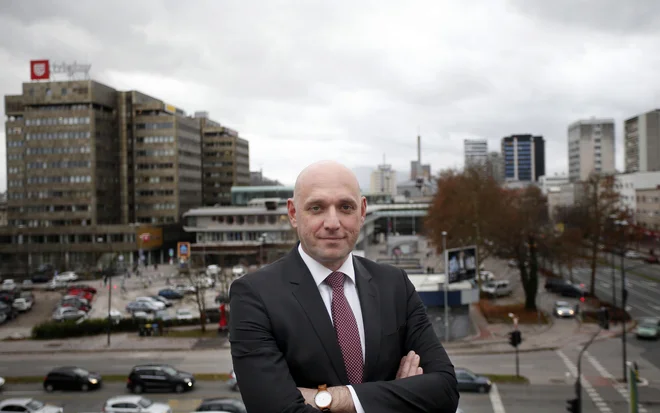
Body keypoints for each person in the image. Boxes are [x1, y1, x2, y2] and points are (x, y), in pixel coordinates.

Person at [230, 160, 458, 413]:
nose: (332, 222)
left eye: (345, 207)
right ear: (293, 214)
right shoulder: (254, 295)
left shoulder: (395, 285)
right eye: (317, 208)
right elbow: (273, 408)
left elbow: (445, 390)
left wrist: (327, 399)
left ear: (362, 211)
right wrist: (398, 398)